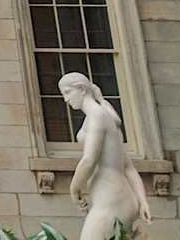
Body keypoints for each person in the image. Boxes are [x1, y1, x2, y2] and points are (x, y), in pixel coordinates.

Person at [59, 73, 152, 240]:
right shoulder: (102, 116)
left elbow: (89, 160)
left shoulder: (97, 116)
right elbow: (128, 167)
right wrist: (142, 200)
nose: (66, 100)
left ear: (81, 89)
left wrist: (74, 189)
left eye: (67, 92)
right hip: (116, 199)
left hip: (112, 201)